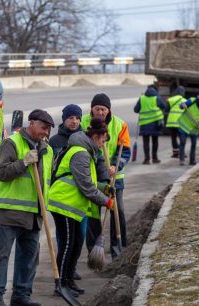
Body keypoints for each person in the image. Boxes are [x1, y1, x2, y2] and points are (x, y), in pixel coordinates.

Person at [0, 109, 55, 306]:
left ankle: (21, 295)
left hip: (35, 213)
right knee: (2, 255)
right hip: (12, 211)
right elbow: (2, 173)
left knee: (29, 256)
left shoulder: (47, 150)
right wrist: (25, 162)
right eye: (43, 128)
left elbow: (47, 180)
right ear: (31, 124)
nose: (45, 133)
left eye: (48, 130)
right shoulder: (12, 143)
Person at [48, 117, 114, 297]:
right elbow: (85, 186)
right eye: (102, 141)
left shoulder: (88, 152)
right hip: (64, 203)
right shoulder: (81, 153)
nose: (103, 145)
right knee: (68, 244)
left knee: (76, 244)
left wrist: (105, 188)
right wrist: (105, 201)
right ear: (95, 136)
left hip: (73, 205)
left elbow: (89, 182)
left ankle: (68, 281)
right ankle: (60, 284)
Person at [82, 93, 131, 259]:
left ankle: (119, 247)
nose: (100, 112)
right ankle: (94, 251)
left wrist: (116, 166)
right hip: (93, 176)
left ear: (109, 110)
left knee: (118, 211)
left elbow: (125, 150)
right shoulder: (83, 122)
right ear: (92, 109)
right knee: (93, 214)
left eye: (103, 109)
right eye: (97, 109)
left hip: (114, 177)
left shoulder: (120, 125)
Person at [48, 104, 86, 282]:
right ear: (64, 119)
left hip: (80, 198)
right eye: (71, 118)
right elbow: (50, 169)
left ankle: (71, 271)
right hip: (62, 197)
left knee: (78, 238)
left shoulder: (84, 140)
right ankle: (63, 276)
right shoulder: (55, 141)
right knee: (66, 239)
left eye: (78, 118)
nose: (75, 121)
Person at [133, 85, 166, 164]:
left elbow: (136, 110)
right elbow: (164, 106)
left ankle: (147, 159)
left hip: (145, 124)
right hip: (155, 123)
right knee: (155, 141)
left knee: (146, 142)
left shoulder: (142, 98)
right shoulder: (157, 98)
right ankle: (155, 158)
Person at [178, 93, 199, 165]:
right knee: (182, 142)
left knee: (194, 143)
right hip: (184, 125)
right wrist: (182, 105)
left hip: (194, 128)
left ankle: (192, 160)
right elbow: (181, 105)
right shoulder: (192, 100)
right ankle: (181, 160)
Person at [165, 86, 187, 158]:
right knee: (181, 138)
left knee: (173, 138)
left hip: (171, 122)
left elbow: (166, 109)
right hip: (181, 122)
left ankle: (175, 153)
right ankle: (182, 153)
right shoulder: (185, 101)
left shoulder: (171, 99)